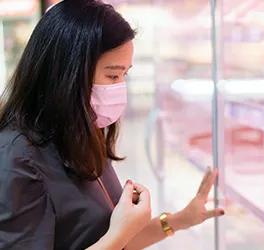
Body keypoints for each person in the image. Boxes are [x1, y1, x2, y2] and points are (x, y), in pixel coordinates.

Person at [0, 0, 225, 249]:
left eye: (124, 75)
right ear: (68, 71)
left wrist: (181, 219)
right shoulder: (17, 161)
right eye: (112, 75)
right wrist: (119, 233)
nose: (120, 87)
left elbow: (113, 238)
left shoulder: (80, 134)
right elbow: (115, 238)